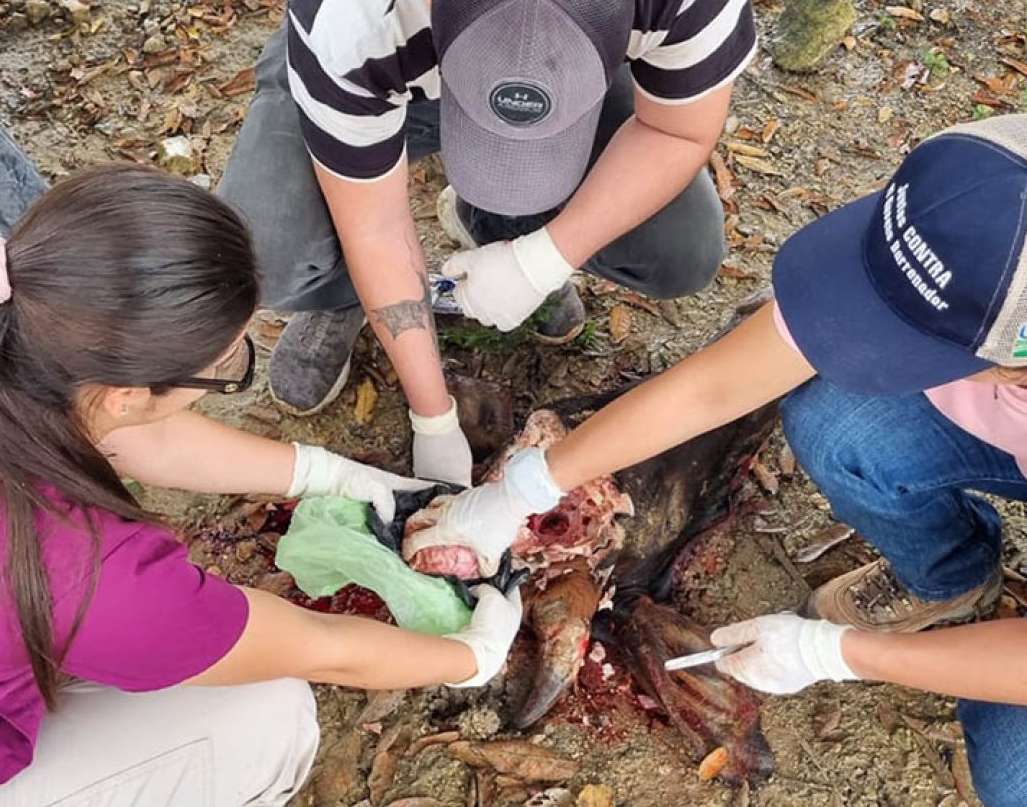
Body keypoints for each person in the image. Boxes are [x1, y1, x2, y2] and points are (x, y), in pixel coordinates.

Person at [0, 164, 522, 807]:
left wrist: (328, 473)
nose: (230, 370)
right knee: (267, 715)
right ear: (128, 393)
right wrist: (471, 655)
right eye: (224, 366)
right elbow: (318, 646)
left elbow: (129, 431)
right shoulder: (85, 569)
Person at [408, 113, 1027, 807]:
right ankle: (949, 574)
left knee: (1015, 774)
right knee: (836, 421)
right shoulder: (986, 194)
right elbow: (713, 388)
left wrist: (839, 655)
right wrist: (525, 487)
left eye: (904, 337)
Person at [218, 0, 757, 485]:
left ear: (628, 13)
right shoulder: (350, 7)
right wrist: (433, 416)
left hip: (572, 63)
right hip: (386, 63)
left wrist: (542, 258)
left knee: (679, 250)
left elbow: (678, 130)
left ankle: (499, 229)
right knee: (263, 251)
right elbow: (377, 225)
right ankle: (343, 298)